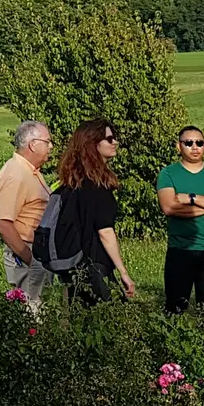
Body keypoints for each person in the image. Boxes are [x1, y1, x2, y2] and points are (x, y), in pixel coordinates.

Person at [55, 118, 138, 304]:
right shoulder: (97, 186)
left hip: (74, 266)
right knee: (113, 321)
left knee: (83, 325)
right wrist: (123, 272)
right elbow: (105, 231)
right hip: (96, 266)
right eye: (109, 139)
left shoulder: (72, 183)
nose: (115, 142)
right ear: (93, 144)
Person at [156, 125, 204, 314]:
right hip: (180, 250)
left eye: (199, 142)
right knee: (175, 306)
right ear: (178, 146)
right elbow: (169, 207)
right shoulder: (168, 174)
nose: (195, 147)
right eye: (188, 143)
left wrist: (192, 198)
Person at [0, 119, 54, 307]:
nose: (51, 146)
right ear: (32, 144)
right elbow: (3, 224)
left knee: (43, 310)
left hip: (39, 251)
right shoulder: (16, 174)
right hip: (27, 254)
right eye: (47, 142)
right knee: (33, 313)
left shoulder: (30, 170)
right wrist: (30, 259)